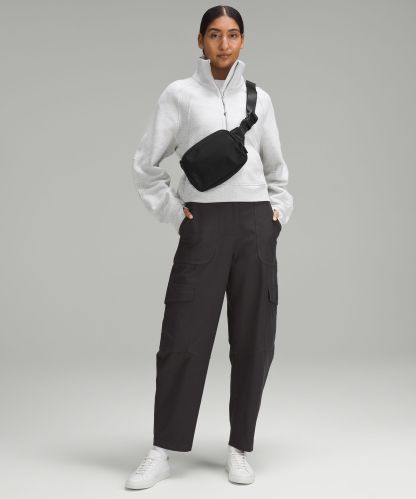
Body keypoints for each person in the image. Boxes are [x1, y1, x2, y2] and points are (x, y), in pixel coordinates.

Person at [126, 5, 294, 489]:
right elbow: (145, 166)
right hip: (203, 226)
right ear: (200, 40)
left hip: (255, 226)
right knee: (183, 337)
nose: (224, 44)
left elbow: (277, 170)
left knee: (254, 341)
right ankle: (162, 449)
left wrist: (276, 216)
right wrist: (175, 214)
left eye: (233, 34)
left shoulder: (260, 99)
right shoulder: (179, 95)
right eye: (215, 35)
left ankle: (240, 447)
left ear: (243, 41)